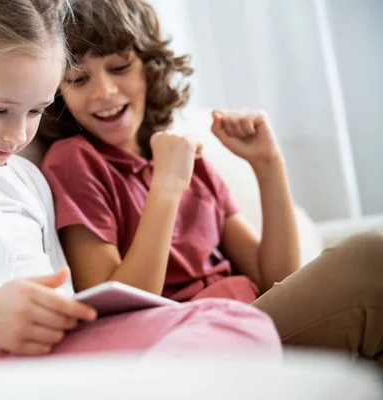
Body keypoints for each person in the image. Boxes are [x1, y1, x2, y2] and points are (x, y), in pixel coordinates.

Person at [0, 0, 281, 368]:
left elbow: (66, 293)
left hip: (52, 358)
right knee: (233, 331)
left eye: (36, 110)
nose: (18, 135)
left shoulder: (27, 178)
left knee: (238, 322)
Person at [39, 0, 383, 364]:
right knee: (368, 259)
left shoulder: (188, 157)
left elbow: (277, 278)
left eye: (119, 67)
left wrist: (268, 164)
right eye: (78, 78)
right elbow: (118, 303)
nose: (104, 91)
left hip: (252, 314)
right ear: (57, 91)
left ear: (149, 67)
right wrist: (167, 187)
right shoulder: (75, 160)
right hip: (199, 338)